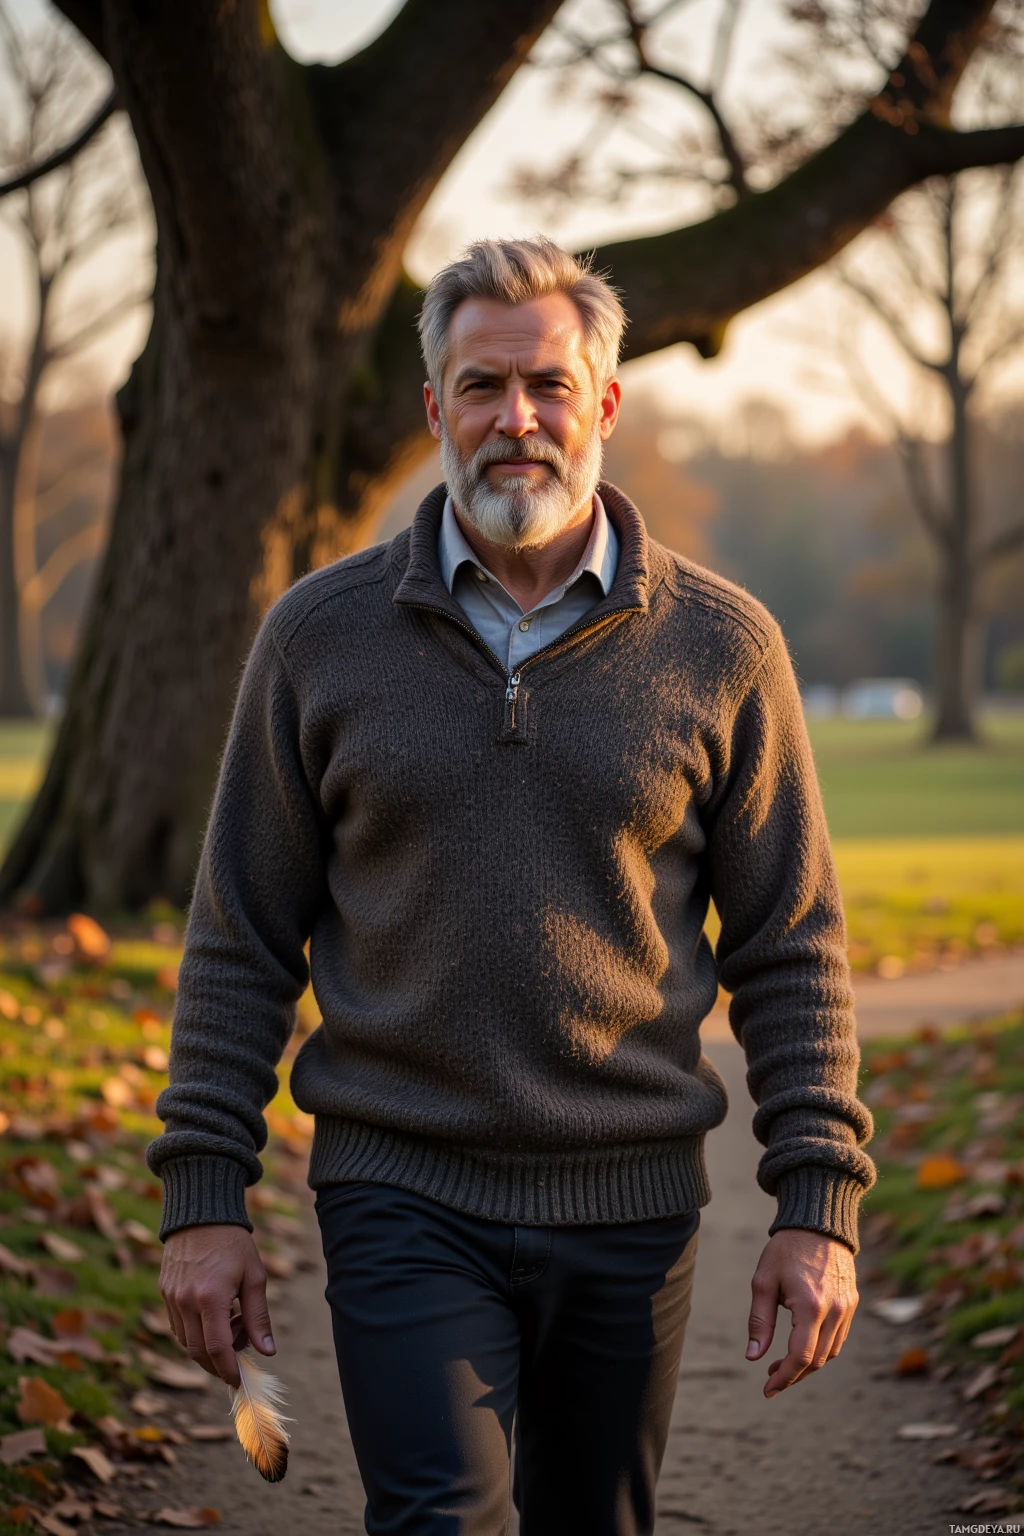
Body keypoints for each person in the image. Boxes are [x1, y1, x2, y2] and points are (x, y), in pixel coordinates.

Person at [151, 237, 874, 1536]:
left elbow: (791, 948)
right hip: (399, 1188)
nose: (516, 420)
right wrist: (203, 1200)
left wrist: (815, 1206)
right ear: (436, 409)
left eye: (548, 384)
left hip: (634, 1202)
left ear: (605, 401)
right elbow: (239, 939)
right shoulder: (318, 640)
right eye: (481, 388)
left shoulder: (724, 647)